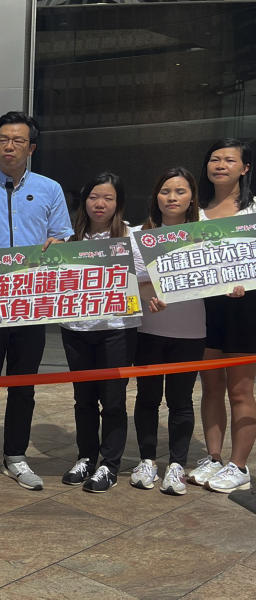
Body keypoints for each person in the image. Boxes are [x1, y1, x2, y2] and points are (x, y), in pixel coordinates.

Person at [0, 111, 73, 490]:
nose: (9, 147)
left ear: (32, 148)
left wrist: (57, 244)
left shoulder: (49, 189)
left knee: (23, 383)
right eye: (3, 140)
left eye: (18, 141)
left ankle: (16, 456)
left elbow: (62, 236)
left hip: (31, 301)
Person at [59, 173, 139, 493]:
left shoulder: (131, 237)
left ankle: (109, 464)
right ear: (85, 200)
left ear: (118, 202)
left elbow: (146, 281)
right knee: (84, 400)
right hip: (76, 329)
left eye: (107, 197)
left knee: (114, 400)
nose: (100, 203)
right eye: (94, 196)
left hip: (117, 330)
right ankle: (86, 457)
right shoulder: (68, 239)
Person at [130, 167, 205, 495]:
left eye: (180, 191)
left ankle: (177, 464)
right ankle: (147, 460)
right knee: (147, 398)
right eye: (165, 191)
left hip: (190, 331)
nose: (172, 198)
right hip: (147, 330)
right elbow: (128, 282)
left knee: (181, 400)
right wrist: (148, 292)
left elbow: (221, 274)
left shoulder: (206, 234)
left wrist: (234, 286)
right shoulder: (137, 235)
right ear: (155, 197)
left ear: (191, 198)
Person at [190, 139, 255, 493]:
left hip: (245, 308)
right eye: (214, 159)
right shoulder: (194, 212)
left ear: (245, 168)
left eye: (230, 160)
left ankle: (239, 465)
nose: (220, 165)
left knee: (241, 389)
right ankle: (214, 457)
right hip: (203, 307)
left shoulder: (253, 211)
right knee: (210, 386)